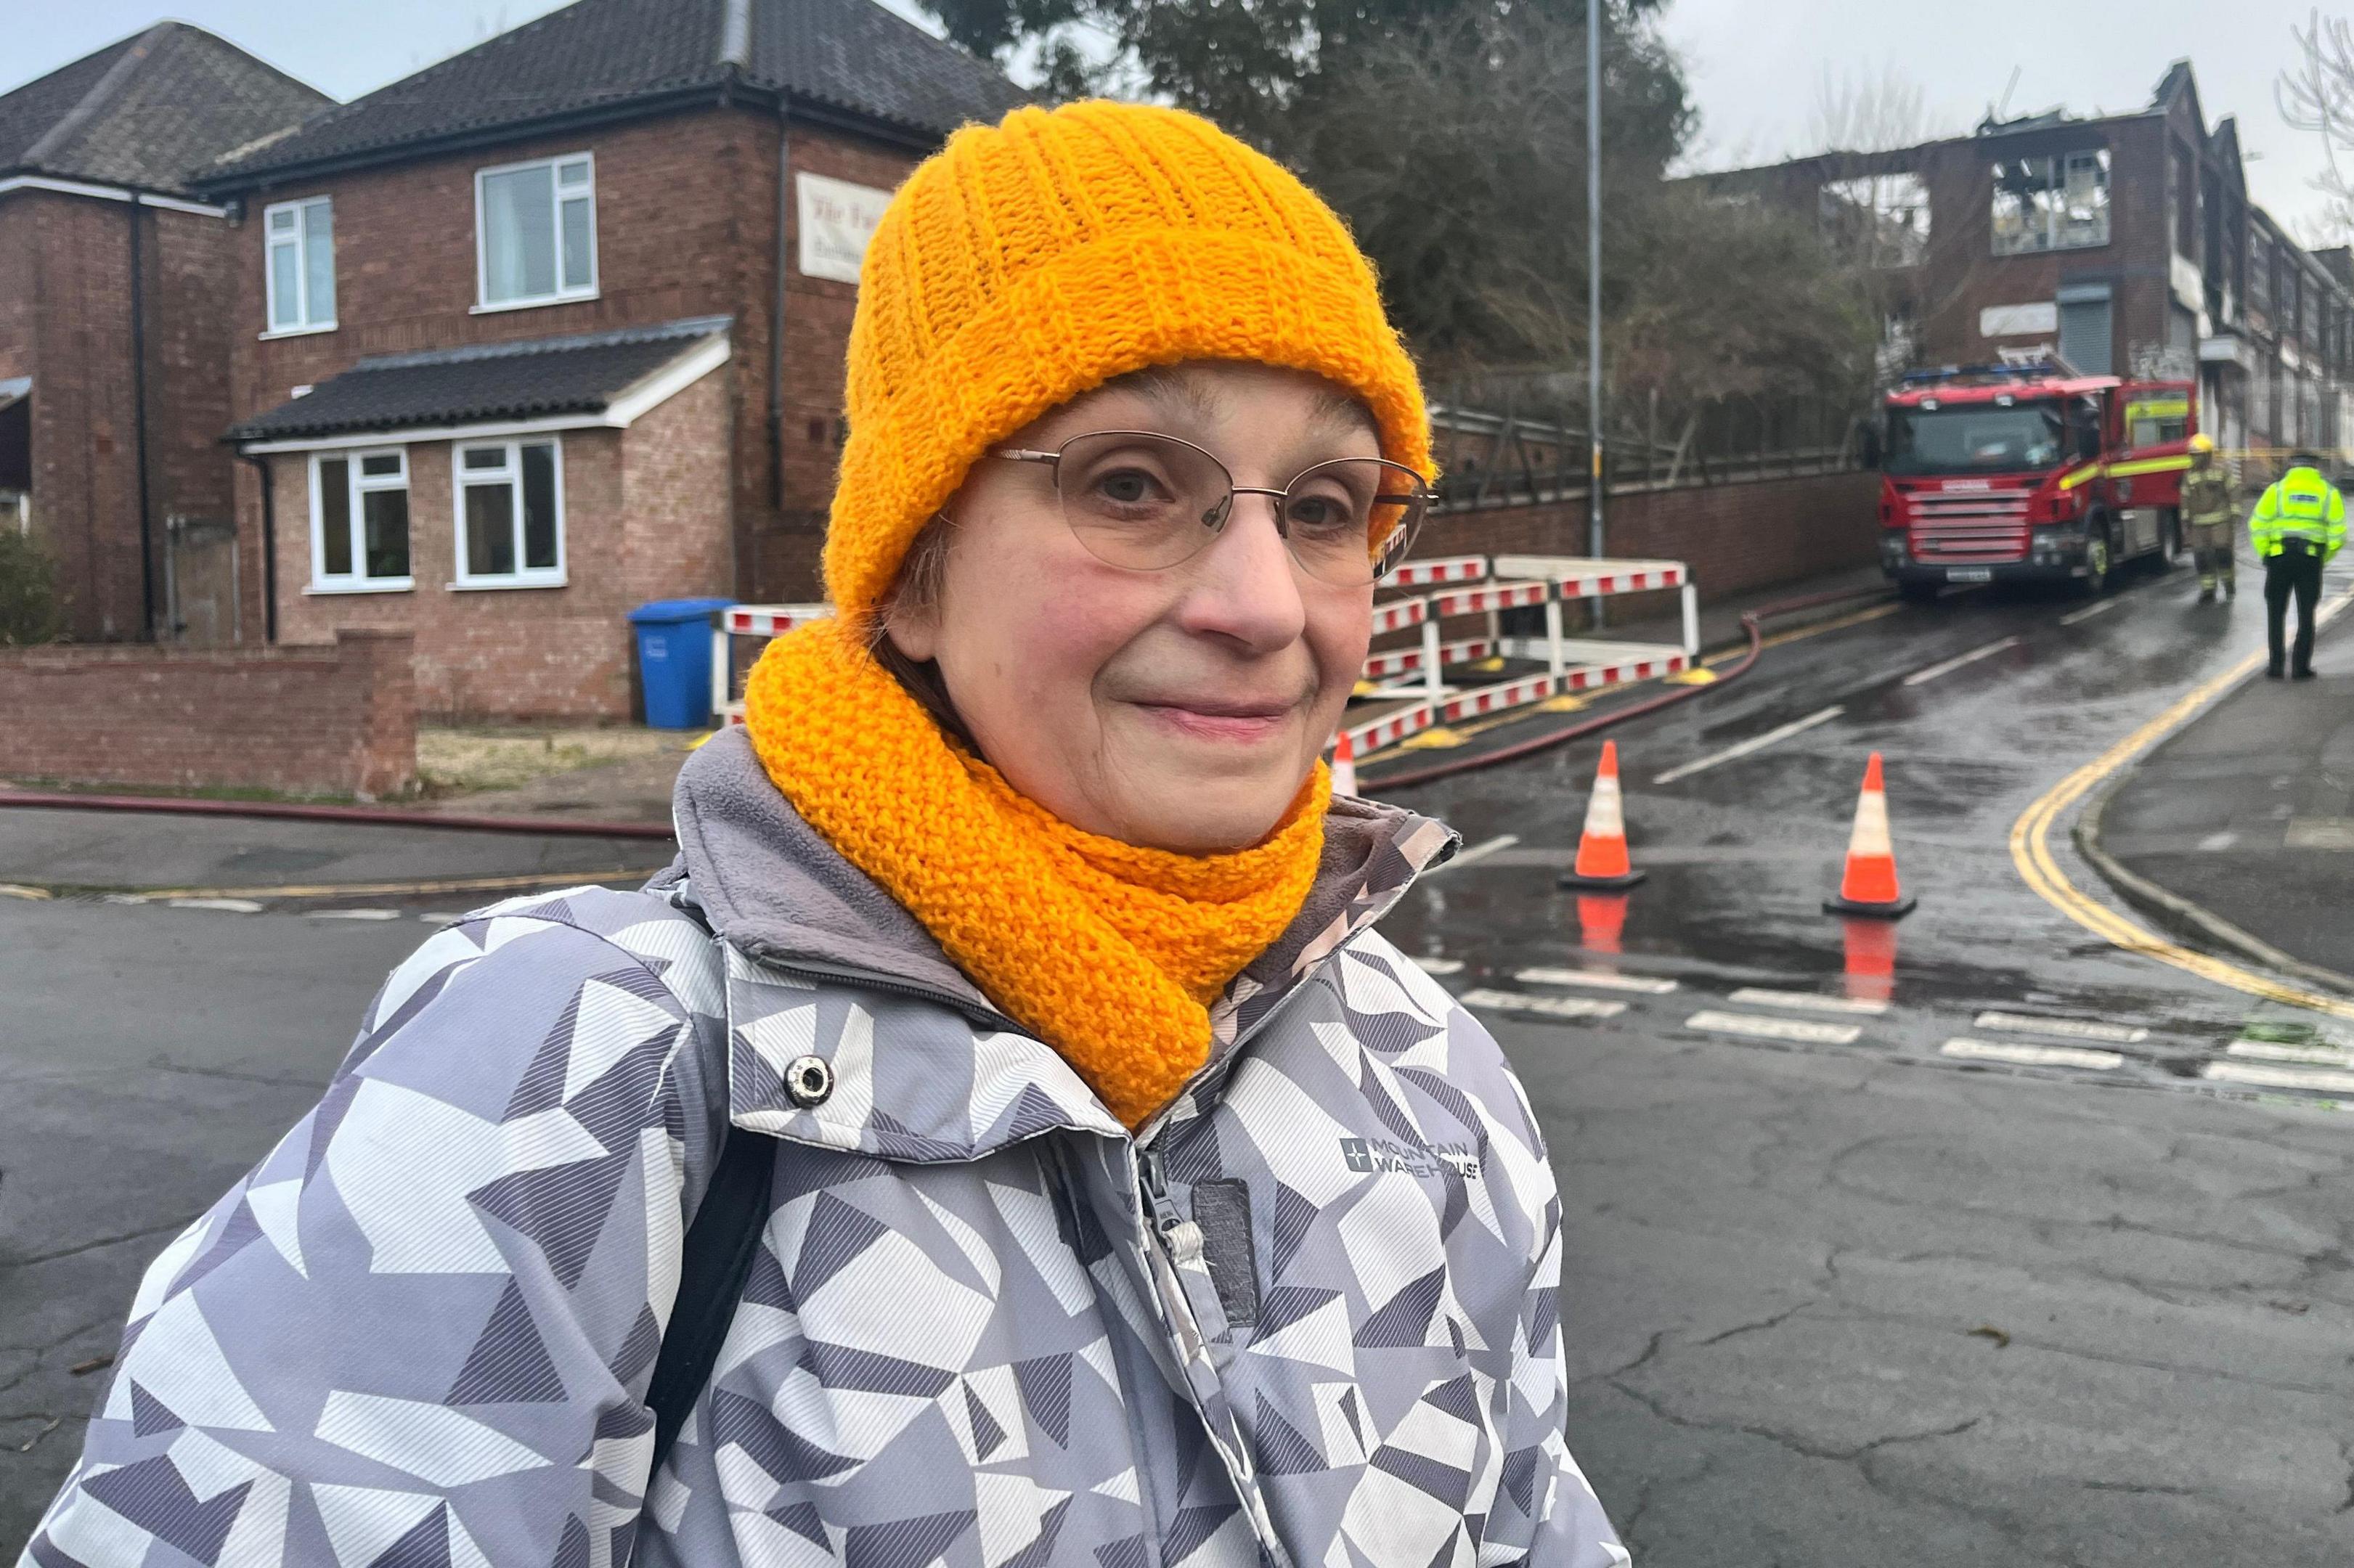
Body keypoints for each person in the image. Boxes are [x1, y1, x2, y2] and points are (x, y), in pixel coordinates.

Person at [20, 101, 1625, 1568]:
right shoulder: (568, 1091)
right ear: (914, 573)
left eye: (1329, 506)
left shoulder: (1431, 1083)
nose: (1266, 603)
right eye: (1134, 483)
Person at [2251, 449, 2347, 679]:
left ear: (2291, 465)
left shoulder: (2277, 490)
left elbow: (2257, 525)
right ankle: (2300, 668)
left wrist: (2266, 552)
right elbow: (2338, 533)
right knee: (2306, 614)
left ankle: (2276, 666)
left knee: (2276, 613)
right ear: (2315, 466)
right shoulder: (2327, 492)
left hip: (2279, 558)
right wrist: (2323, 557)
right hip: (2310, 560)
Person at [2179, 430, 2240, 603]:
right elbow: (2185, 498)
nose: (2194, 459)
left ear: (2207, 455)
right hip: (2198, 524)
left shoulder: (2221, 470)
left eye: (2197, 455)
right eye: (2192, 455)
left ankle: (2229, 583)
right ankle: (2208, 590)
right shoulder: (2189, 475)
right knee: (2201, 557)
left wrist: (2235, 512)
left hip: (2220, 521)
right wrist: (2185, 520)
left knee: (2222, 552)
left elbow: (2234, 490)